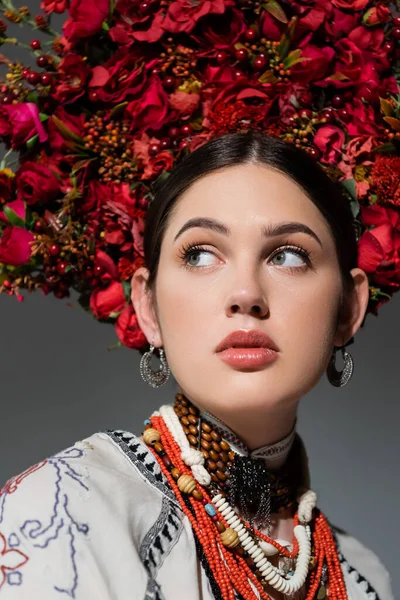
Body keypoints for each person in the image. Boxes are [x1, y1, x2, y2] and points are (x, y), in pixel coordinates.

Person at [0, 131, 394, 600]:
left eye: (288, 255)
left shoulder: (363, 576)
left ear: (347, 309)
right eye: (201, 254)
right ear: (148, 307)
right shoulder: (66, 508)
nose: (245, 294)